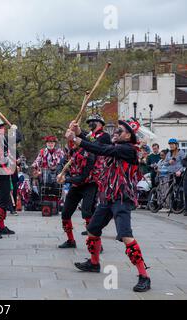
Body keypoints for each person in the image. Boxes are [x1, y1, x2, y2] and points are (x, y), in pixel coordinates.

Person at [67, 118, 151, 293]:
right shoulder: (118, 147)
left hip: (121, 198)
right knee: (92, 230)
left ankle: (144, 276)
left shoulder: (128, 149)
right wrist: (79, 132)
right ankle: (94, 263)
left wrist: (76, 139)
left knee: (126, 236)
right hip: (108, 197)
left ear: (128, 135)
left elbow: (101, 149)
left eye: (119, 130)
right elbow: (98, 145)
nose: (116, 132)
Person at [0, 118, 22, 239]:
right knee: (2, 202)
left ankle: (1, 226)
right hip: (1, 174)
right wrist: (15, 129)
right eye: (1, 127)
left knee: (3, 200)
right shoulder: (0, 140)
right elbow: (17, 138)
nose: (3, 129)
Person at [56, 141, 96, 249]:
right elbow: (61, 164)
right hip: (76, 185)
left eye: (74, 140)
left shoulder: (89, 154)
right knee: (65, 213)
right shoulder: (70, 153)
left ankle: (95, 244)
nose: (71, 143)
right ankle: (70, 241)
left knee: (87, 212)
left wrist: (66, 179)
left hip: (89, 184)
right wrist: (59, 173)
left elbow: (83, 177)